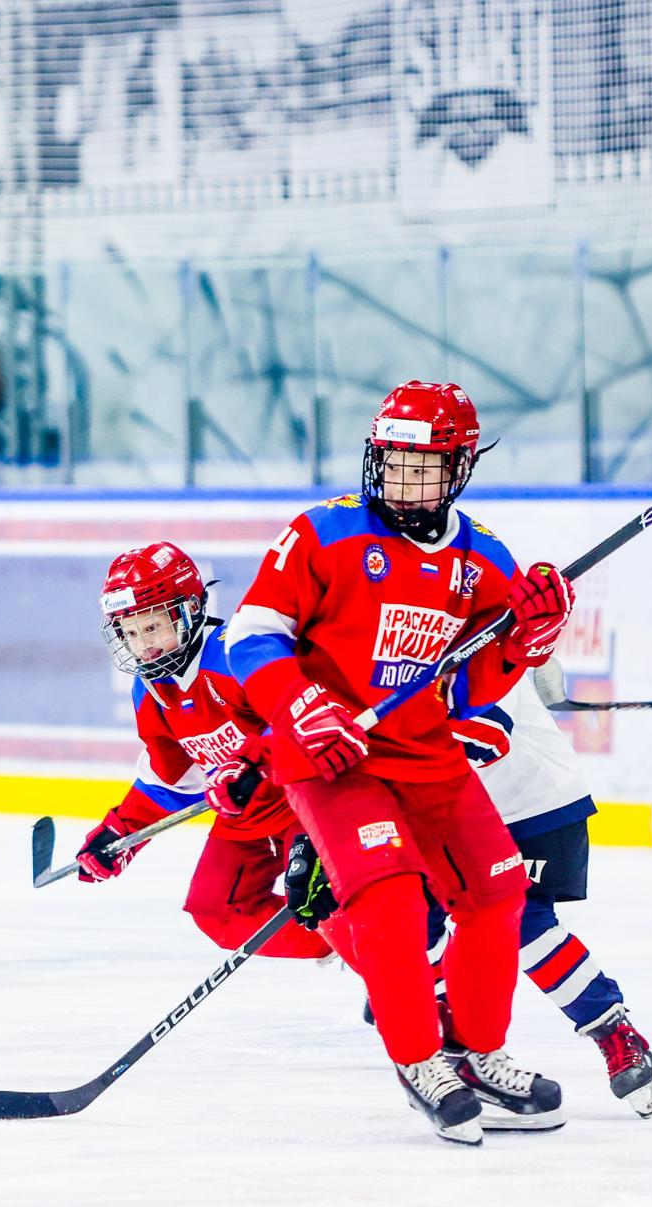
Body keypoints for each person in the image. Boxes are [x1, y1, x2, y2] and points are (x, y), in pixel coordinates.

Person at [224, 380, 571, 1145]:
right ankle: (421, 1060)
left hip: (424, 752)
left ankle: (476, 1051)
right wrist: (302, 704)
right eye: (393, 461)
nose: (402, 480)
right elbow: (249, 635)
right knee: (388, 900)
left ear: (459, 468)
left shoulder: (482, 558)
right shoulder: (322, 534)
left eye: (424, 466)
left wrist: (526, 638)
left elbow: (474, 682)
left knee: (497, 889)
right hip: (330, 759)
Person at [74, 541, 351, 964]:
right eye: (130, 633)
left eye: (152, 628)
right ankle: (357, 950)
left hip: (307, 804)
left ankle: (401, 965)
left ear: (188, 611)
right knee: (218, 912)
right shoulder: (150, 692)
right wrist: (120, 834)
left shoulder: (233, 655)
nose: (143, 644)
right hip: (247, 816)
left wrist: (251, 767)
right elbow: (171, 781)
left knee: (321, 895)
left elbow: (301, 719)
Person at [447, 674, 652, 1116]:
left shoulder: (462, 631)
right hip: (463, 810)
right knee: (431, 913)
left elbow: (489, 730)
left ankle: (613, 1031)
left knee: (523, 925)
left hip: (534, 804)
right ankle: (450, 1038)